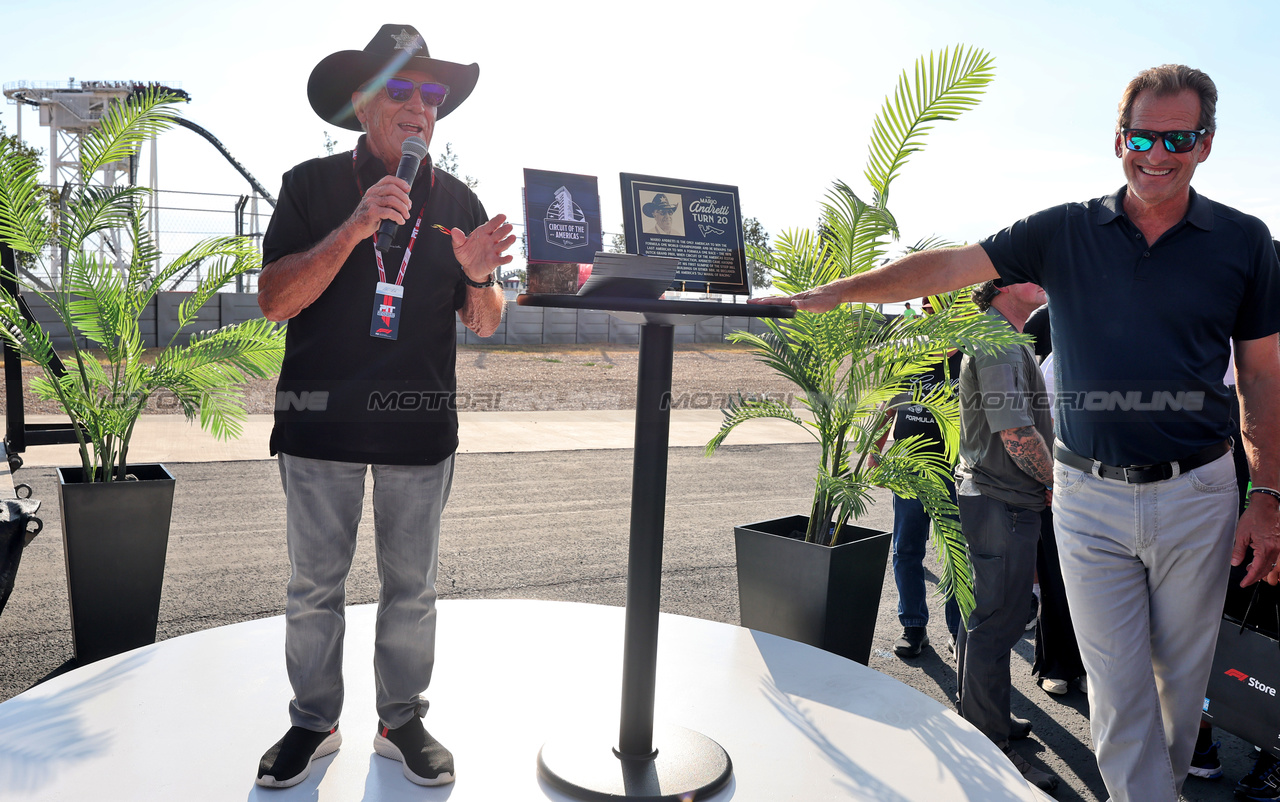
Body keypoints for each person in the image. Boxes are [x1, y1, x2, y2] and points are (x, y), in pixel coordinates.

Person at [751, 64, 1280, 802]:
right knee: (1116, 687)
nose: (1157, 154)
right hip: (1089, 498)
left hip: (1199, 492)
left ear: (1206, 144)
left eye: (1178, 139)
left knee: (1180, 687)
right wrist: (836, 293)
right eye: (1141, 137)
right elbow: (949, 265)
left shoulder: (1245, 241)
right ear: (1118, 140)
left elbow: (1261, 377)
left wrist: (1267, 495)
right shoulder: (1063, 230)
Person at [252, 24, 514, 789]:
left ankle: (402, 721)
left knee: (412, 590)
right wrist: (356, 227)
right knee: (313, 589)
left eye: (431, 94)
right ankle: (314, 722)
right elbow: (275, 300)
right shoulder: (309, 186)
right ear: (361, 103)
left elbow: (487, 322)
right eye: (400, 88)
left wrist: (477, 277)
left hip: (418, 430)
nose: (418, 106)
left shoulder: (458, 200)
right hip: (319, 427)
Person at [950, 279, 1058, 794]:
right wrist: (1057, 483)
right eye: (1029, 269)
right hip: (1003, 500)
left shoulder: (1004, 337)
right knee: (996, 623)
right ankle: (990, 745)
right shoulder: (998, 342)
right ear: (1002, 285)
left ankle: (982, 714)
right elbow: (1015, 433)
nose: (1043, 276)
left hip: (1000, 498)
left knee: (987, 617)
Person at [876, 299, 962, 658]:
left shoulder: (972, 355)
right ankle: (913, 627)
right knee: (907, 548)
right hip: (909, 467)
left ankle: (959, 633)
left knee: (958, 554)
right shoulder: (909, 355)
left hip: (955, 470)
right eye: (926, 306)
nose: (929, 312)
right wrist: (874, 450)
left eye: (936, 305)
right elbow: (889, 404)